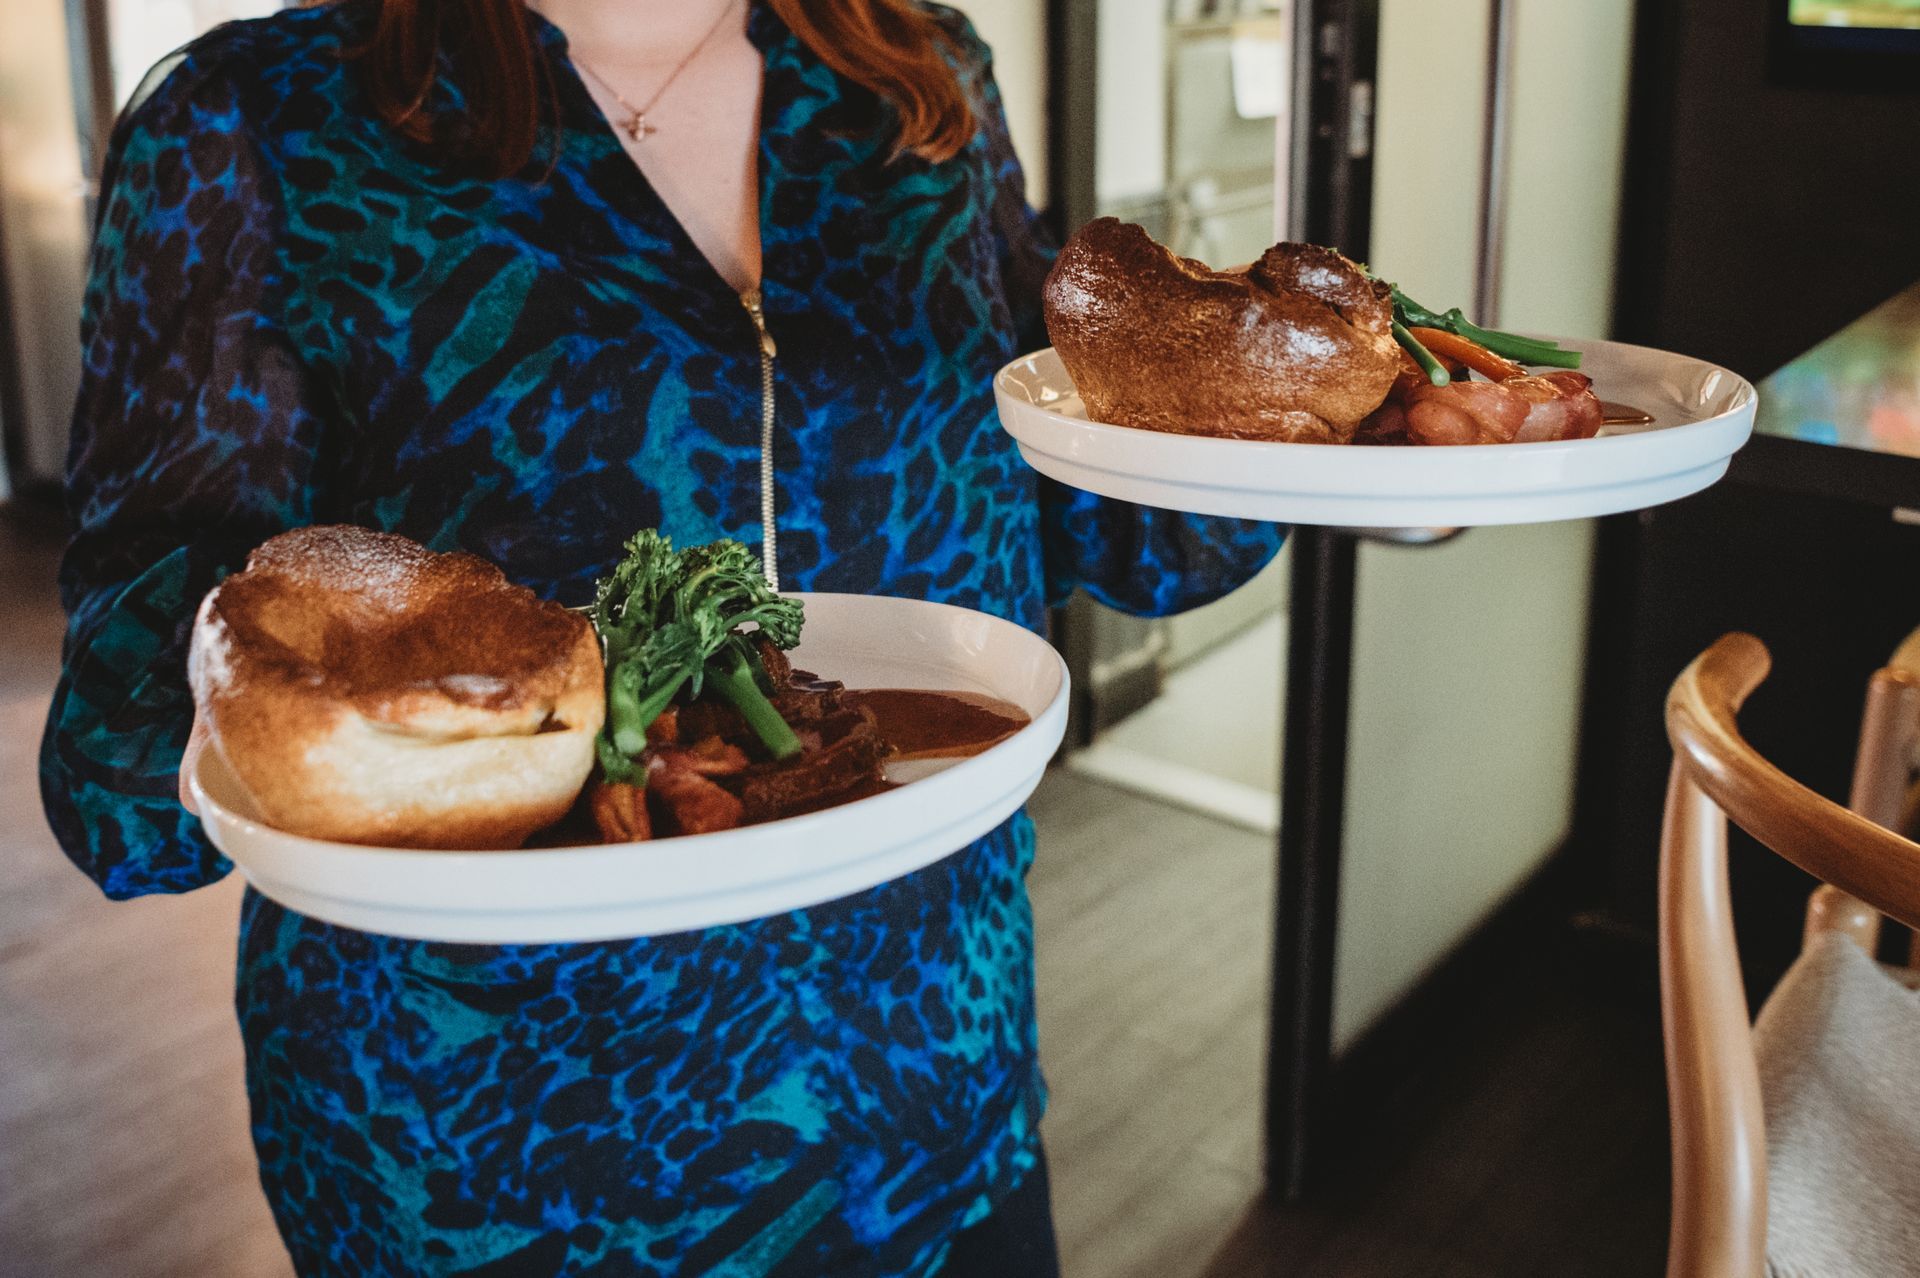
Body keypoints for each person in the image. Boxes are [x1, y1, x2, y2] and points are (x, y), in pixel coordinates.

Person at [39, 0, 1284, 1273]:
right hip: (500, 1157)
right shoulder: (257, 117)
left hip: (931, 1092)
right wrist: (330, 707)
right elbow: (121, 783)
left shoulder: (916, 69)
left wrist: (1349, 442)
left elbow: (1111, 522)